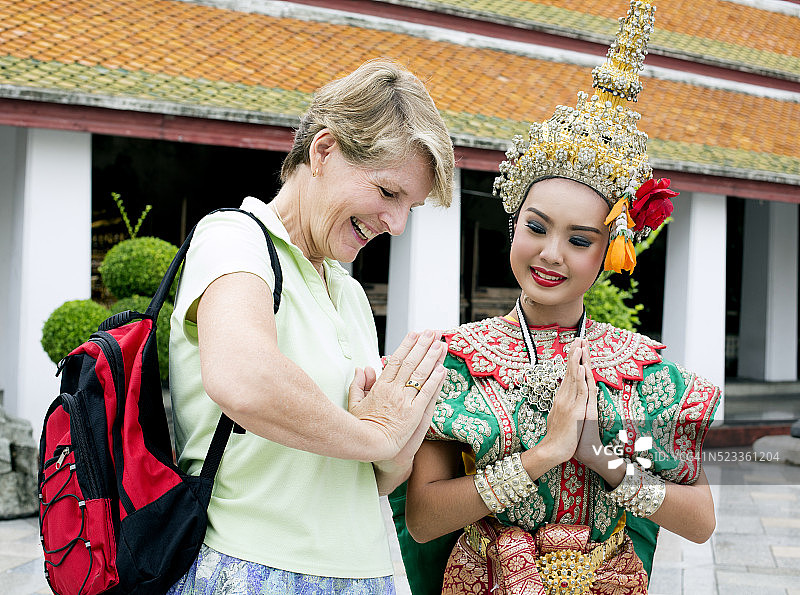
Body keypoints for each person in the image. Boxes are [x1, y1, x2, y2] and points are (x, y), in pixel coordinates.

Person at [396, 2, 720, 593]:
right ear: (513, 226)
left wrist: (601, 457)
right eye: (537, 227)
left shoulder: (643, 371)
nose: (551, 254)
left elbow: (700, 522)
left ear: (608, 253)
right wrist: (541, 456)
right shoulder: (458, 360)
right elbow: (422, 520)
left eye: (579, 240)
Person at [166, 59, 455, 594]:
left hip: (364, 574)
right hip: (252, 569)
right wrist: (377, 432)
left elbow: (375, 477)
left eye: (410, 206)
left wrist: (404, 434)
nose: (397, 224)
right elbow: (243, 378)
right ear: (323, 151)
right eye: (390, 193)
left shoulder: (349, 294)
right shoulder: (234, 238)